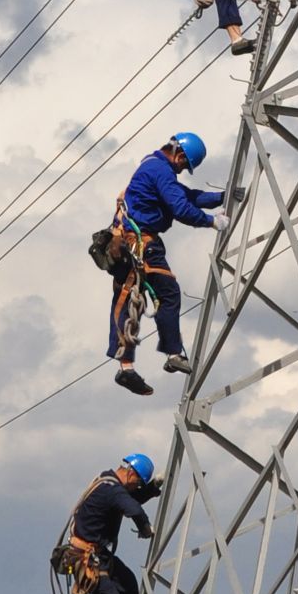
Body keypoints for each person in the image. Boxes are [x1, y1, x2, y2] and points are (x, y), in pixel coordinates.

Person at [106, 132, 228, 396]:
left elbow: (188, 196)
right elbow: (181, 208)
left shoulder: (156, 168)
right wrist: (211, 221)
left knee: (129, 298)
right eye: (185, 165)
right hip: (141, 242)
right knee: (166, 292)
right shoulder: (160, 171)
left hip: (134, 241)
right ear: (180, 155)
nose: (183, 169)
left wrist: (222, 197)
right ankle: (171, 353)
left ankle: (128, 367)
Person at [54, 452, 160, 594]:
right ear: (131, 474)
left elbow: (131, 500)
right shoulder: (110, 489)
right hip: (86, 558)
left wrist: (152, 488)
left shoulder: (110, 485)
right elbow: (134, 509)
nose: (136, 488)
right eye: (138, 483)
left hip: (99, 555)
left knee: (130, 585)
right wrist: (146, 528)